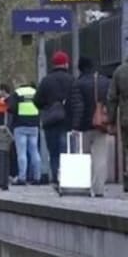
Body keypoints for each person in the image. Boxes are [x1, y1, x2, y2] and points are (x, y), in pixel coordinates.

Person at [70, 58, 112, 197]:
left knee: (84, 157)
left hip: (84, 127)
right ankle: (99, 189)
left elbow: (78, 107)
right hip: (101, 125)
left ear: (80, 68)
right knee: (100, 157)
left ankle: (85, 186)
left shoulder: (78, 83)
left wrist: (75, 126)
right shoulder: (105, 81)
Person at [34, 51, 75, 184]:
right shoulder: (72, 79)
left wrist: (47, 107)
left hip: (51, 122)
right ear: (66, 63)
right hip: (68, 121)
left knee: (54, 153)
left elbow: (37, 100)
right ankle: (67, 178)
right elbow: (76, 100)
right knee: (66, 151)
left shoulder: (46, 80)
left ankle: (57, 178)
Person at [8, 79, 41, 185]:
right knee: (34, 151)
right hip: (34, 124)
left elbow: (11, 108)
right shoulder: (35, 92)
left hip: (20, 124)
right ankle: (37, 177)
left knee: (21, 153)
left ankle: (22, 177)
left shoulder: (17, 93)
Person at [107, 57, 128, 193]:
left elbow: (112, 97)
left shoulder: (120, 71)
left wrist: (111, 120)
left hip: (126, 117)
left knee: (126, 149)